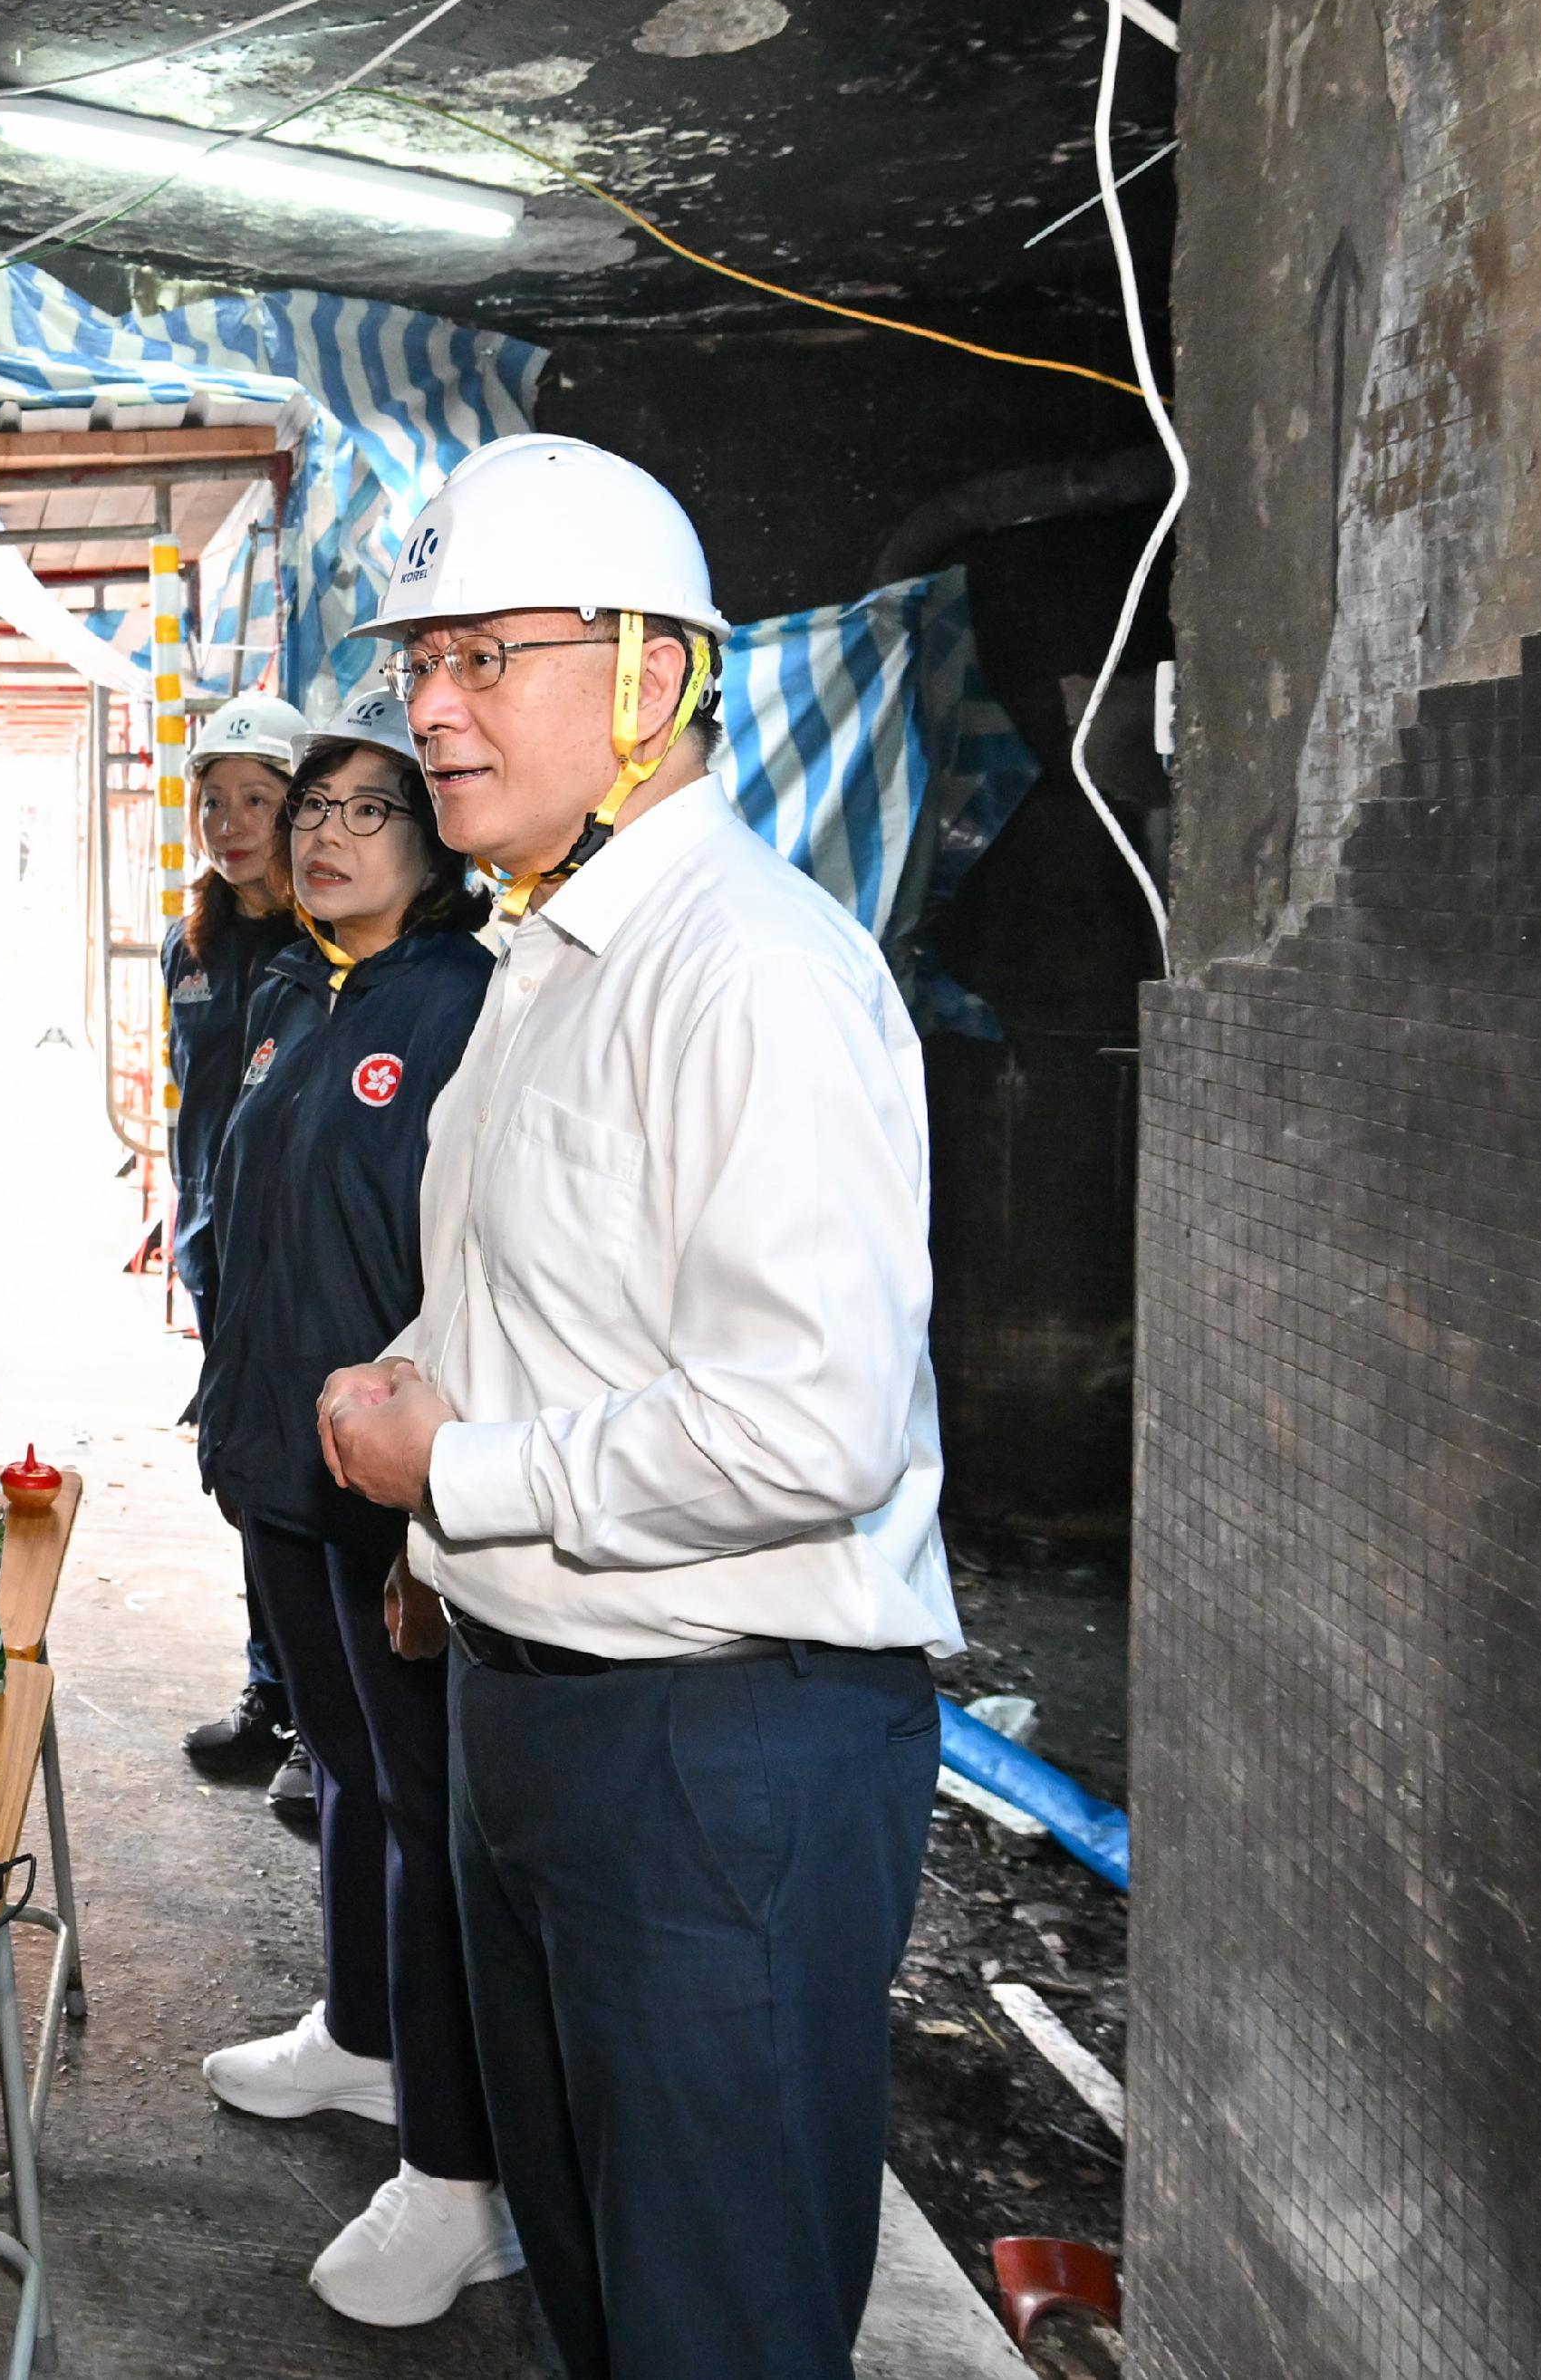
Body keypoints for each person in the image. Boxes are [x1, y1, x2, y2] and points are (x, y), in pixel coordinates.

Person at [314, 435, 958, 2380]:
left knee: (715, 2316)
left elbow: (807, 1422)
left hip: (717, 1749)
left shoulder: (743, 968)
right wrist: (432, 1449)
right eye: (420, 660)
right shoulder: (537, 954)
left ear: (655, 673)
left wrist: (467, 1468)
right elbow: (543, 1293)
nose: (431, 707)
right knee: (602, 2285)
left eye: (488, 655)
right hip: (546, 1717)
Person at [193, 686, 507, 2324]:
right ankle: (361, 2035)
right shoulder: (297, 995)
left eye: (363, 810)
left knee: (427, 1804)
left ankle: (458, 2174)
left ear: (438, 847)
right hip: (280, 1471)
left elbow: (474, 1273)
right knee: (354, 1774)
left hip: (392, 1491)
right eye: (310, 808)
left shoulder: (461, 1003)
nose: (320, 832)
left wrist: (435, 1523)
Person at [163, 693, 314, 1812]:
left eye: (255, 798)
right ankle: (273, 1692)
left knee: (321, 1480)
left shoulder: (332, 938)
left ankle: (325, 1715)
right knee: (251, 1477)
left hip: (308, 1254)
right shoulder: (195, 942)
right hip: (221, 1250)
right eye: (213, 799)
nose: (229, 820)